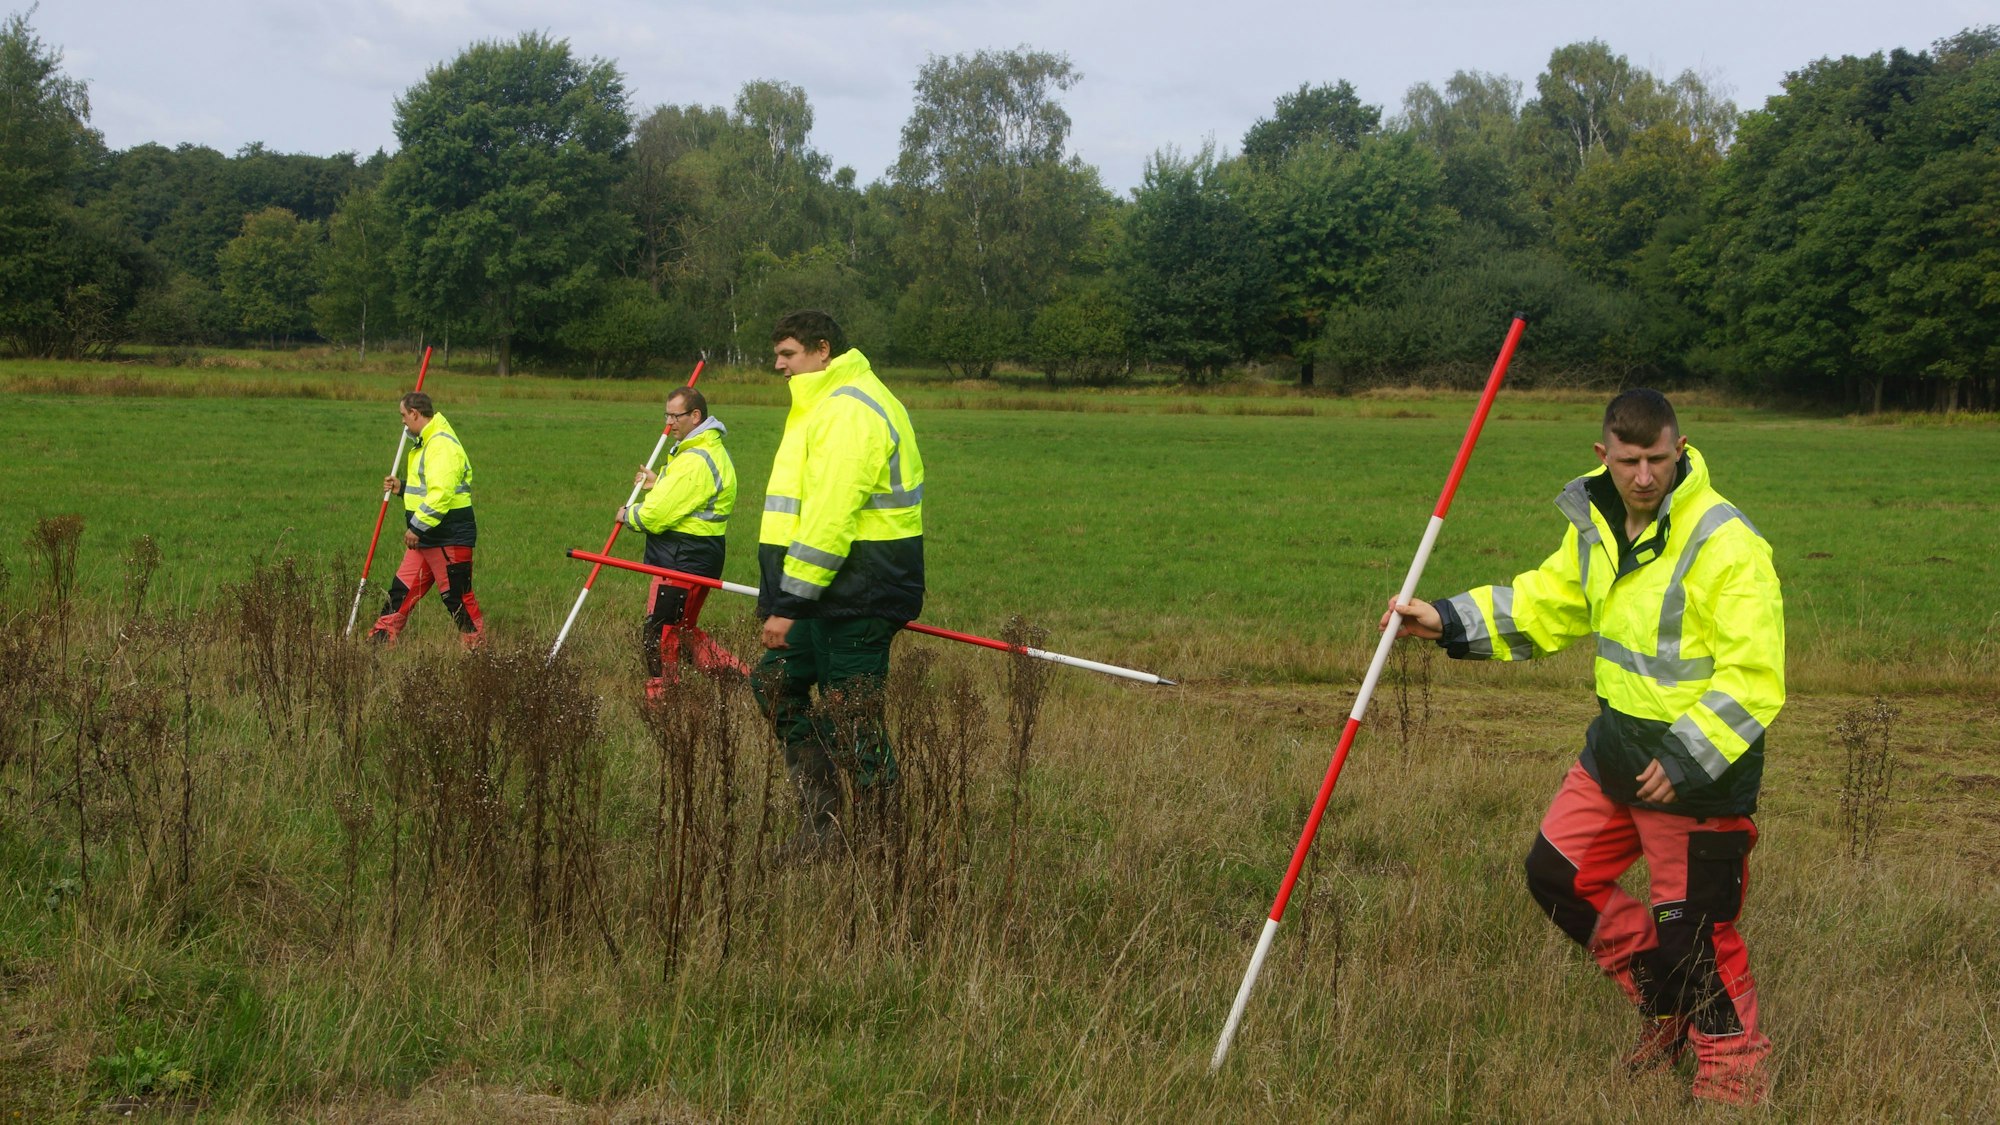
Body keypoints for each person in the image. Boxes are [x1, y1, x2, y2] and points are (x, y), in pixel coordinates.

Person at [1381, 389, 1784, 1105]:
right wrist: (1443, 619)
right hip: (1617, 755)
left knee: (1695, 931)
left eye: (1658, 459)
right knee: (1556, 876)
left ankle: (1733, 1081)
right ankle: (1664, 1002)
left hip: (1697, 777)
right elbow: (1544, 605)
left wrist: (1688, 756)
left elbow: (1755, 676)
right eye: (1629, 460)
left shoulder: (1727, 542)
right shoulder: (1598, 526)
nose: (1643, 476)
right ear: (1604, 455)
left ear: (1680, 450)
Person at [752, 310, 925, 850]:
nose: (778, 365)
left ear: (822, 349)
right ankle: (821, 825)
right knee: (775, 684)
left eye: (788, 354)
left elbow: (829, 518)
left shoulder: (850, 410)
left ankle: (883, 845)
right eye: (776, 355)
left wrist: (789, 601)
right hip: (829, 592)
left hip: (860, 592)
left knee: (853, 717)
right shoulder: (823, 404)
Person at [617, 387, 743, 693]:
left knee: (659, 633)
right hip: (700, 555)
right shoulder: (702, 451)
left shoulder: (695, 459)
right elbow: (690, 496)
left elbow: (655, 516)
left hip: (681, 558)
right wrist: (658, 482)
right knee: (683, 632)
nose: (669, 422)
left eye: (676, 415)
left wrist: (628, 514)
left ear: (695, 416)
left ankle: (662, 698)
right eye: (667, 414)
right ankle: (743, 680)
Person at [370, 392, 485, 647]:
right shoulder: (427, 441)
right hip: (427, 538)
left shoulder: (441, 445)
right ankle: (379, 641)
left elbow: (441, 494)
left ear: (414, 413)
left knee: (458, 598)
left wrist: (417, 528)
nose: (402, 422)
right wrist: (403, 487)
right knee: (401, 590)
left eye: (403, 415)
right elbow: (428, 488)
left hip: (448, 536)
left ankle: (479, 652)